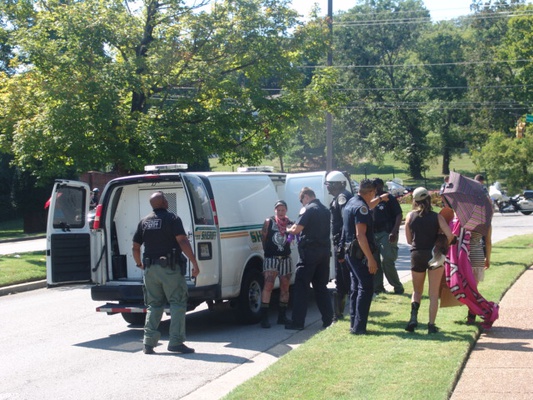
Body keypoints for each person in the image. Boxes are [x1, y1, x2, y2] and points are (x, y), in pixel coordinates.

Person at [132, 191, 200, 354]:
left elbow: (135, 247)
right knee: (177, 303)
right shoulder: (172, 219)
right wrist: (195, 263)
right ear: (164, 203)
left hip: (150, 270)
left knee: (154, 304)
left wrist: (139, 263)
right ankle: (175, 342)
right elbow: (182, 241)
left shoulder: (144, 222)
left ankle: (148, 343)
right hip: (169, 268)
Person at [404, 187, 454, 334]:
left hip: (417, 254)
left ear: (415, 201)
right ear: (429, 200)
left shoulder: (409, 216)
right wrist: (444, 241)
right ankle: (431, 325)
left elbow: (408, 240)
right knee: (433, 294)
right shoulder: (437, 217)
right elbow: (450, 235)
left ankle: (413, 318)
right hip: (435, 255)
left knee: (417, 291)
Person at [285, 187, 333, 330]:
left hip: (310, 254)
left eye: (302, 201)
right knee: (321, 287)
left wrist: (287, 229)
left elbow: (296, 229)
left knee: (301, 287)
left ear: (306, 196)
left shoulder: (309, 209)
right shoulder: (325, 209)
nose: (302, 204)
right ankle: (328, 320)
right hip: (324, 253)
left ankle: (297, 322)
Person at [342, 179, 379, 335]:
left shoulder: (351, 202)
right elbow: (361, 235)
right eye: (374, 193)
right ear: (370, 192)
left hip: (349, 252)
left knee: (356, 287)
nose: (374, 196)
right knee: (366, 287)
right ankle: (359, 327)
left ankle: (354, 324)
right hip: (359, 253)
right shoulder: (361, 208)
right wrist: (371, 259)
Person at [259, 200, 293, 328]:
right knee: (268, 285)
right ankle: (264, 318)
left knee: (285, 286)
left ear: (286, 210)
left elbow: (294, 236)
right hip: (271, 258)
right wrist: (267, 251)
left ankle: (282, 316)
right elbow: (264, 238)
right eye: (278, 210)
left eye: (283, 210)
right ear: (275, 210)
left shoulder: (290, 223)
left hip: (285, 258)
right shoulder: (269, 222)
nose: (280, 212)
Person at [325, 170, 353, 320]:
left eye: (329, 184)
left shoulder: (342, 198)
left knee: (343, 279)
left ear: (335, 184)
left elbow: (345, 224)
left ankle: (340, 314)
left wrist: (341, 247)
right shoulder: (342, 196)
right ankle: (339, 313)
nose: (327, 187)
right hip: (343, 243)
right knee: (342, 280)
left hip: (343, 245)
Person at [371, 178, 404, 295]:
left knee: (387, 261)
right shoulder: (370, 199)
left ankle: (397, 287)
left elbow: (399, 214)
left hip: (387, 232)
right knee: (374, 262)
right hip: (373, 234)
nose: (375, 187)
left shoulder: (388, 198)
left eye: (377, 185)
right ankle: (378, 288)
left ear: (381, 185)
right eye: (373, 185)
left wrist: (394, 231)